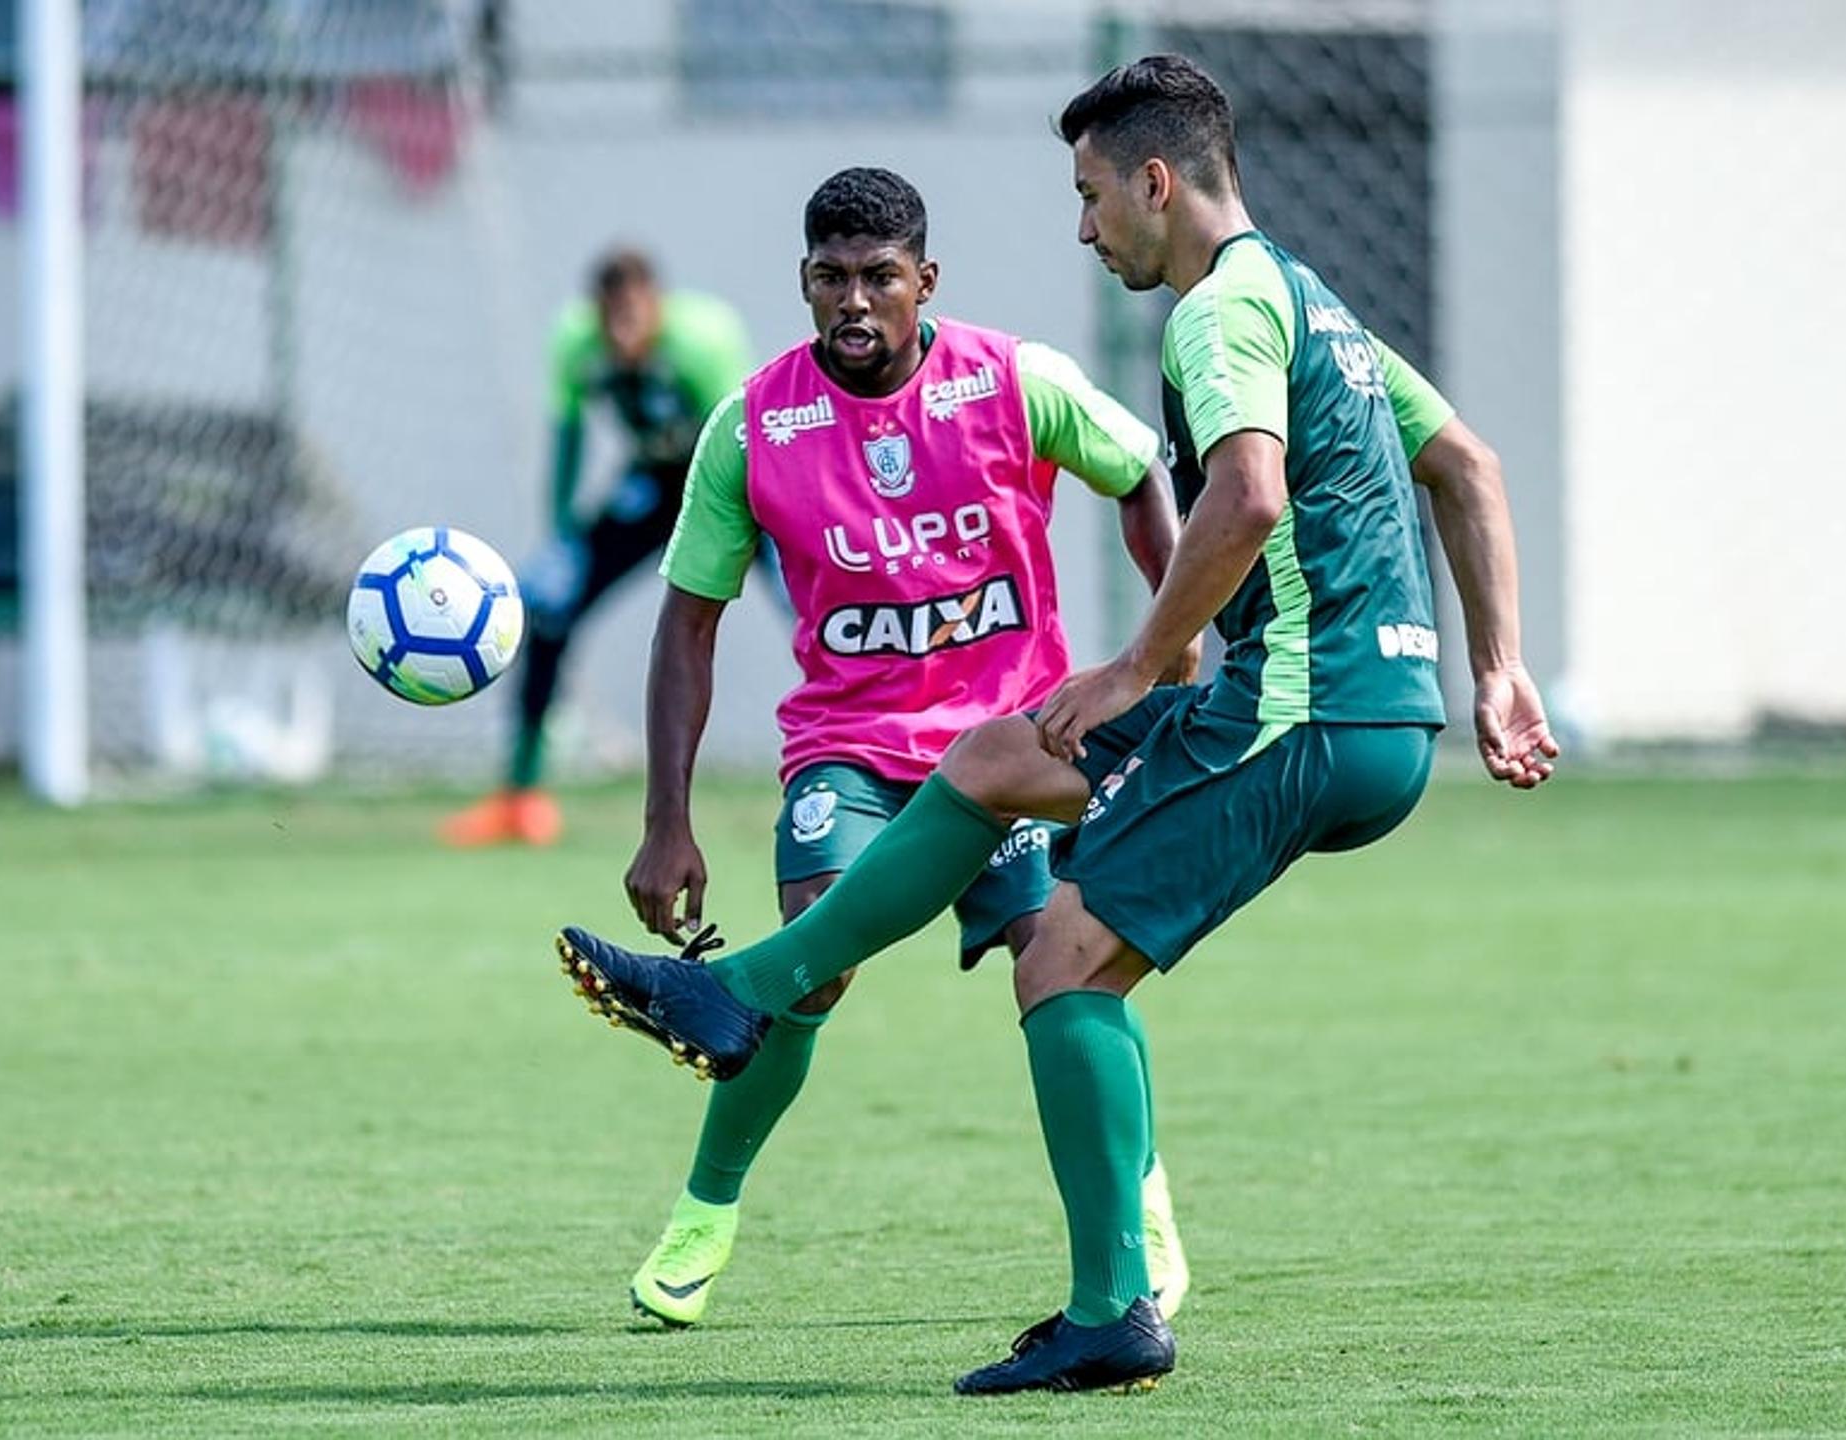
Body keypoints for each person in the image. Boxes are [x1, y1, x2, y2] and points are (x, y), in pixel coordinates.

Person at [555, 55, 1558, 1395]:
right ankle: (742, 997)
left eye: (1091, 196)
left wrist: (1145, 663)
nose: (1085, 228)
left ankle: (1114, 1309)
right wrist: (1499, 666)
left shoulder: (1212, 316)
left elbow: (1245, 496)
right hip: (1376, 709)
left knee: (1064, 959)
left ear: (1157, 181)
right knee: (997, 761)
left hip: (1302, 711)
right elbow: (1470, 466)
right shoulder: (1314, 304)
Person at [601, 166, 1199, 1328]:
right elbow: (689, 619)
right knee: (809, 963)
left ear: (926, 280)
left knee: (1066, 955)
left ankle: (1140, 1209)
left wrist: (1163, 641)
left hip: (1020, 739)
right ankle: (705, 1212)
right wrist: (665, 819)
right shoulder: (756, 424)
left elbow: (1140, 477)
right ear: (805, 282)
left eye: (881, 277)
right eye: (831, 278)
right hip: (852, 748)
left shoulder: (1018, 381)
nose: (855, 301)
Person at [442, 248, 753, 847]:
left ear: (656, 308)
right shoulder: (575, 342)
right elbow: (569, 437)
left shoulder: (703, 338)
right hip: (653, 485)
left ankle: (875, 767)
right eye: (612, 320)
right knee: (550, 608)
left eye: (633, 318)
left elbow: (739, 438)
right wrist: (563, 537)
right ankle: (520, 795)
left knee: (814, 612)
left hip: (735, 489)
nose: (622, 334)